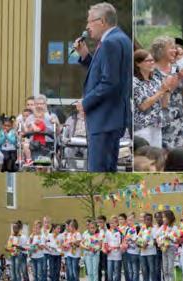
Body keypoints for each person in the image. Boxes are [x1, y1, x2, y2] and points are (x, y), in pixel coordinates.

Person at [73, 2, 132, 172]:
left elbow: (109, 82)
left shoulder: (110, 43)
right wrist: (85, 56)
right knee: (107, 170)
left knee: (98, 172)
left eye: (90, 21)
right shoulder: (120, 38)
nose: (87, 26)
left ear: (103, 21)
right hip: (112, 118)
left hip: (104, 118)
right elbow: (108, 73)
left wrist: (86, 103)